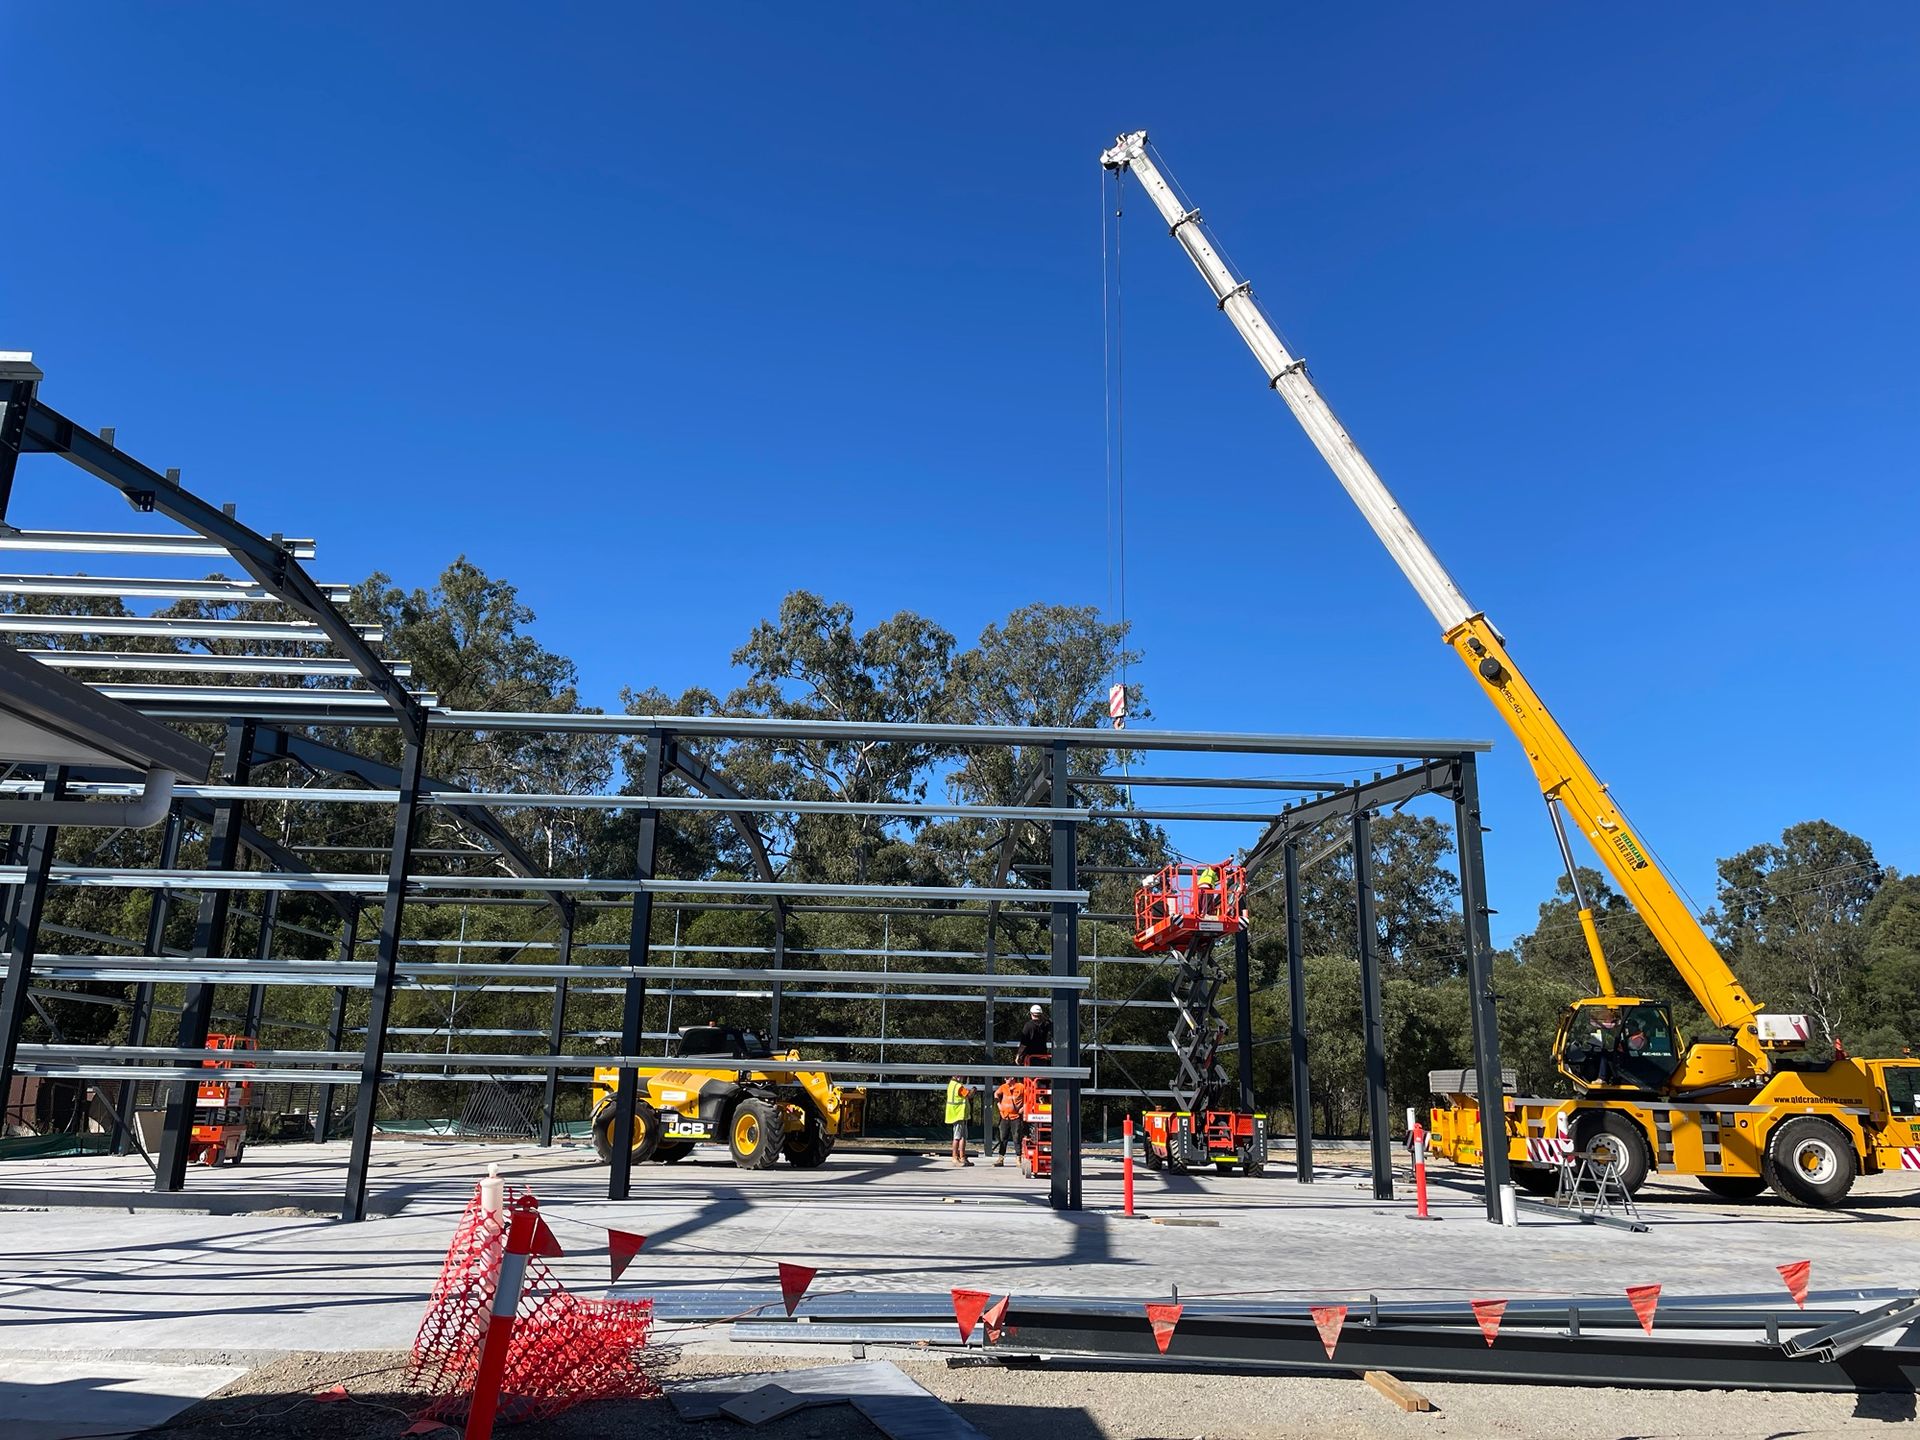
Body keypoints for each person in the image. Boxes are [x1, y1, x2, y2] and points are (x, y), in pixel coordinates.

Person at [991, 1075, 1022, 1167]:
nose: (1005, 1079)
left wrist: (1023, 1108)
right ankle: (1000, 1159)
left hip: (1016, 1117)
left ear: (1012, 1077)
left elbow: (1028, 1097)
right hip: (1005, 1117)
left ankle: (1018, 1158)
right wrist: (998, 1104)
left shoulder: (1021, 1087)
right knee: (1003, 1138)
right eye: (1004, 1078)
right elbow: (996, 1094)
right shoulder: (1003, 1087)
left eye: (1007, 1078)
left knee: (1017, 1138)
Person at [945, 1074, 974, 1167]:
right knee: (957, 1137)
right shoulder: (958, 1086)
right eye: (962, 1077)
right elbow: (969, 1095)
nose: (963, 1078)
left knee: (963, 1137)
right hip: (958, 1114)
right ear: (958, 1076)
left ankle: (962, 1157)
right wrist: (974, 1089)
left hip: (961, 1115)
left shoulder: (951, 1085)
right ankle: (955, 1157)